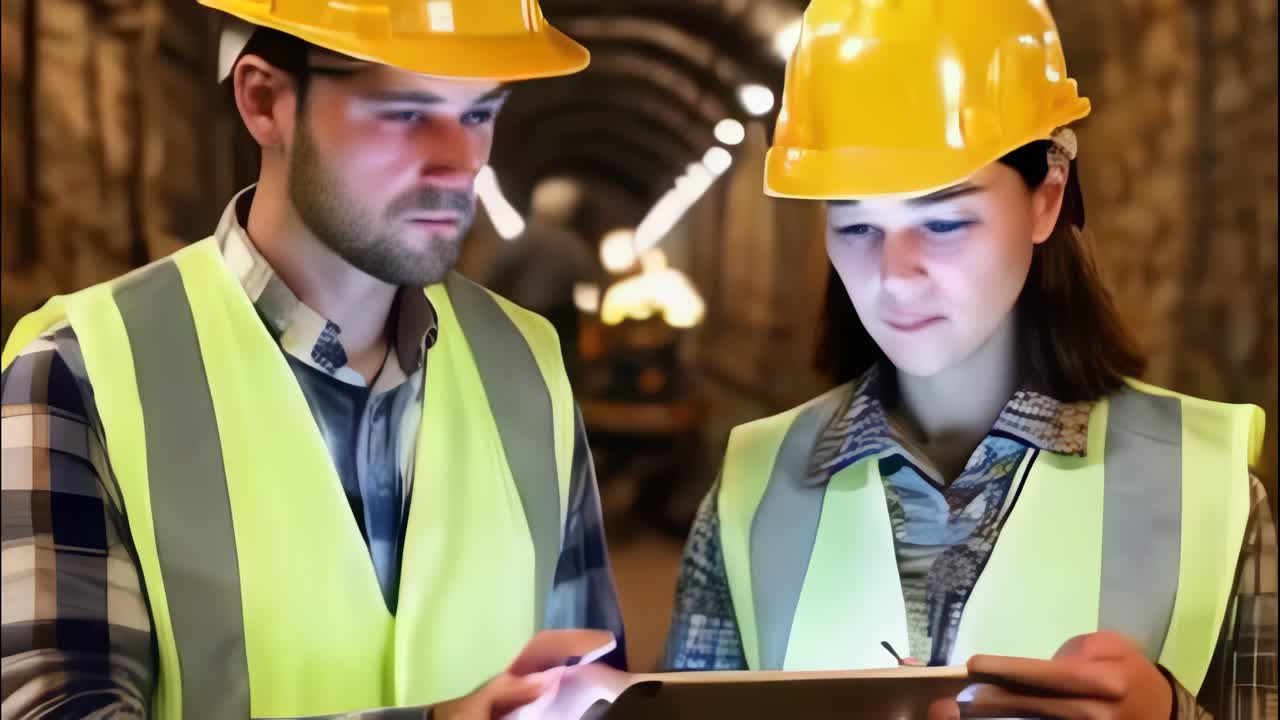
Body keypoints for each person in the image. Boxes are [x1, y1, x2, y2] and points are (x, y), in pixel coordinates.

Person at [0, 2, 627, 718]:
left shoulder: (529, 365)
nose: (463, 162)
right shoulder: (79, 378)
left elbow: (593, 684)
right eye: (407, 113)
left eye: (480, 113)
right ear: (265, 101)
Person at [663, 2, 1276, 718]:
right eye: (856, 224)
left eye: (944, 221)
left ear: (1046, 200)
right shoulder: (751, 493)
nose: (895, 274)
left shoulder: (1206, 490)